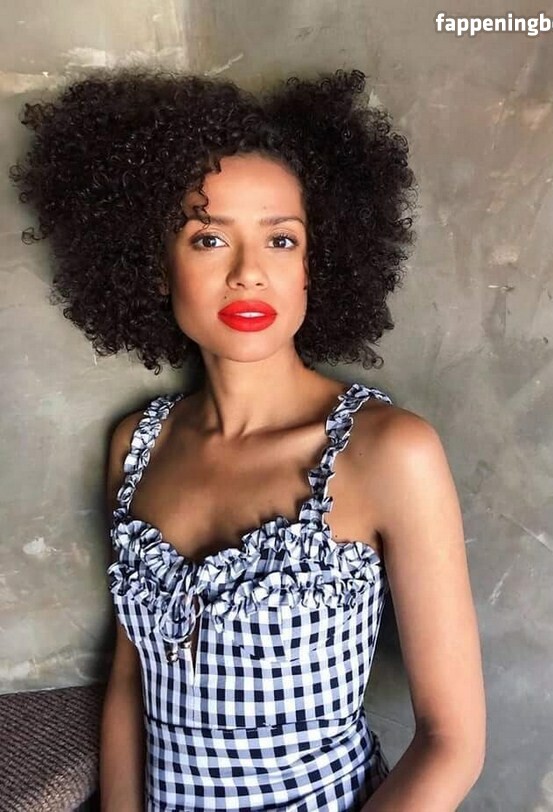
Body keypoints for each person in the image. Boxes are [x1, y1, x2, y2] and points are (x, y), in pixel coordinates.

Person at [12, 68, 485, 811]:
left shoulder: (389, 452)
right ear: (153, 265)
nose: (248, 275)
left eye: (281, 240)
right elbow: (131, 683)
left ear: (314, 266)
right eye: (208, 239)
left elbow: (451, 743)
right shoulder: (137, 446)